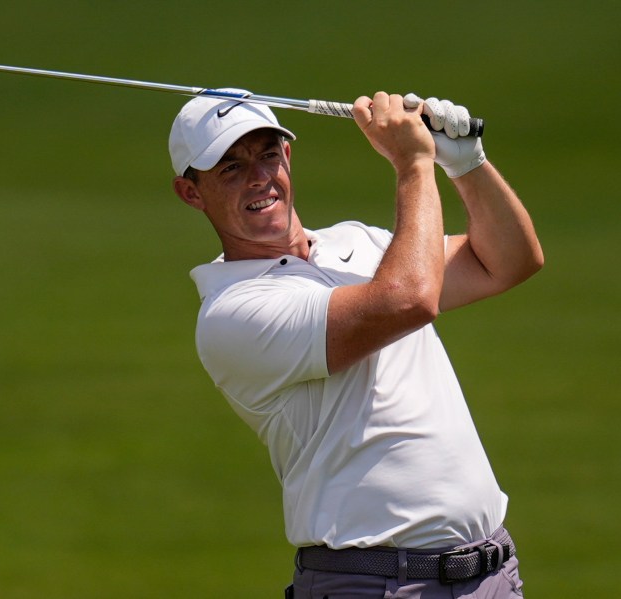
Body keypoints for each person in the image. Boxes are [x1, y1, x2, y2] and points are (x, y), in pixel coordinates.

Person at [169, 89, 543, 598]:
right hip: (374, 587)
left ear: (288, 156)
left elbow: (510, 261)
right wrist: (414, 163)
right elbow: (408, 300)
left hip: (492, 576)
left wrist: (467, 164)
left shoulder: (357, 243)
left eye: (267, 154)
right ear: (191, 193)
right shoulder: (233, 313)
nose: (259, 177)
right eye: (230, 168)